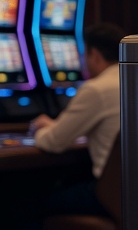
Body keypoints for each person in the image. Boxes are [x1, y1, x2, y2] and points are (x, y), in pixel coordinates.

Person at [32, 22, 126, 217]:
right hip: (137, 192)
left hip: (108, 196)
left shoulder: (97, 88)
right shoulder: (135, 79)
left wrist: (37, 130)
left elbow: (53, 143)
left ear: (95, 54)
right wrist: (56, 125)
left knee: (23, 201)